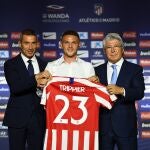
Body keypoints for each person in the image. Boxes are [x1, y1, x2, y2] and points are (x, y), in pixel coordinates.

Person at [95, 33, 145, 150]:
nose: (112, 50)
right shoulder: (96, 71)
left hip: (126, 128)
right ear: (104, 50)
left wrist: (121, 90)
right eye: (109, 47)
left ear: (122, 49)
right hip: (103, 128)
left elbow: (139, 92)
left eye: (116, 46)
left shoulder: (134, 69)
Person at [3, 28, 50, 150]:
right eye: (26, 43)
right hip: (17, 119)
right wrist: (36, 78)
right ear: (20, 44)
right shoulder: (10, 64)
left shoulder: (45, 65)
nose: (30, 47)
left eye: (33, 43)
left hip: (38, 119)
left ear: (37, 44)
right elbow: (16, 87)